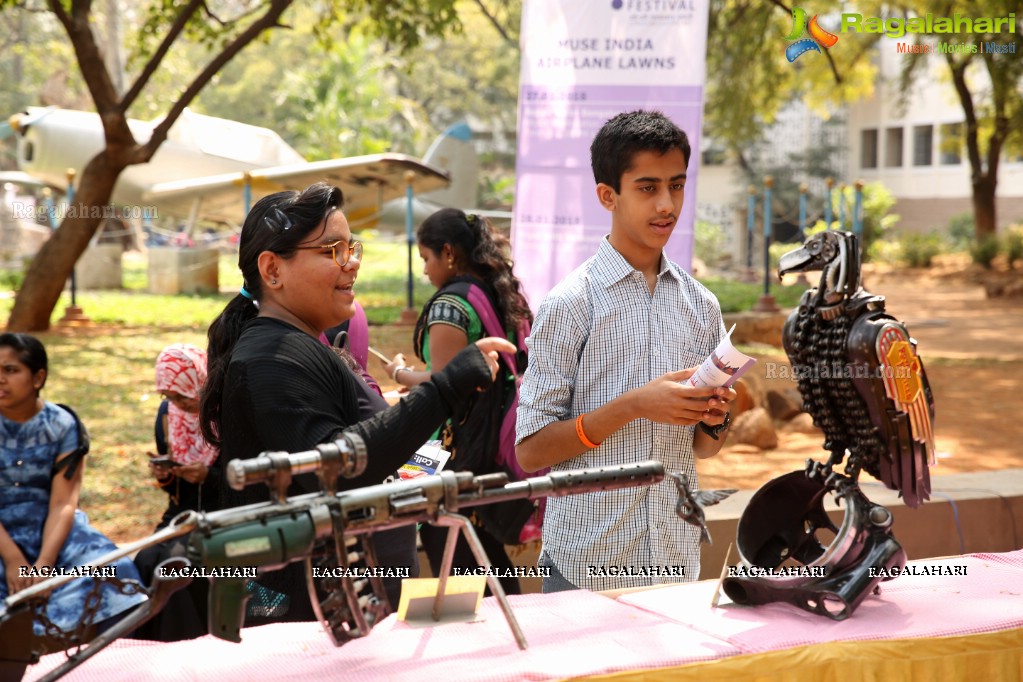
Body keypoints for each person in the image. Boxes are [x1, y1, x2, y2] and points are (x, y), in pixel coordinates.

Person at [199, 182, 513, 623]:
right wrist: (443, 388)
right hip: (305, 632)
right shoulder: (271, 361)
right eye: (333, 251)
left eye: (352, 247)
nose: (353, 263)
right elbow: (338, 469)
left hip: (357, 610)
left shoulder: (301, 346)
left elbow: (372, 459)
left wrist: (425, 444)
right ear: (272, 270)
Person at [515, 110, 736, 593]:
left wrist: (716, 417)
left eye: (676, 186)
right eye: (647, 187)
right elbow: (530, 450)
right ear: (607, 195)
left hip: (676, 561)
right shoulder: (572, 304)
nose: (666, 204)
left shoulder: (701, 304)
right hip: (586, 567)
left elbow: (704, 448)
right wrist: (634, 405)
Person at [384, 208, 532, 595]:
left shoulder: (450, 305)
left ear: (448, 253)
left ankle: (492, 635)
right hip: (488, 444)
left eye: (426, 259)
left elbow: (445, 383)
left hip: (443, 447)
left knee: (439, 537)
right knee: (478, 549)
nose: (425, 271)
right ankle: (507, 622)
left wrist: (401, 374)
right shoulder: (499, 292)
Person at [0, 333, 146, 641]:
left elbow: (63, 504)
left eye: (11, 370)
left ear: (38, 377)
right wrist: (14, 561)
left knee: (114, 571)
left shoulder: (63, 424)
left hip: (51, 531)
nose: (1, 379)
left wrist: (43, 567)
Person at [132, 343, 220, 641]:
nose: (177, 403)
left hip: (224, 511)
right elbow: (175, 490)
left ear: (199, 381)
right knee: (145, 560)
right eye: (168, 396)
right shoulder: (168, 415)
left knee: (176, 566)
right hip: (182, 512)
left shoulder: (224, 413)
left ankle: (184, 642)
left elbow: (246, 474)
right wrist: (167, 476)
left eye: (182, 395)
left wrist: (209, 475)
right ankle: (146, 644)